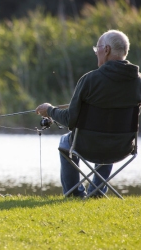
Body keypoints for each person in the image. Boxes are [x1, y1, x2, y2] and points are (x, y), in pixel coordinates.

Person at [35, 29, 141, 198]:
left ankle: (74, 194)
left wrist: (49, 110)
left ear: (106, 50)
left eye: (97, 48)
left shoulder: (89, 80)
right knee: (110, 138)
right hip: (122, 147)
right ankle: (97, 193)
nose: (96, 52)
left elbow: (70, 120)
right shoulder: (138, 82)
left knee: (65, 142)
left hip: (86, 145)